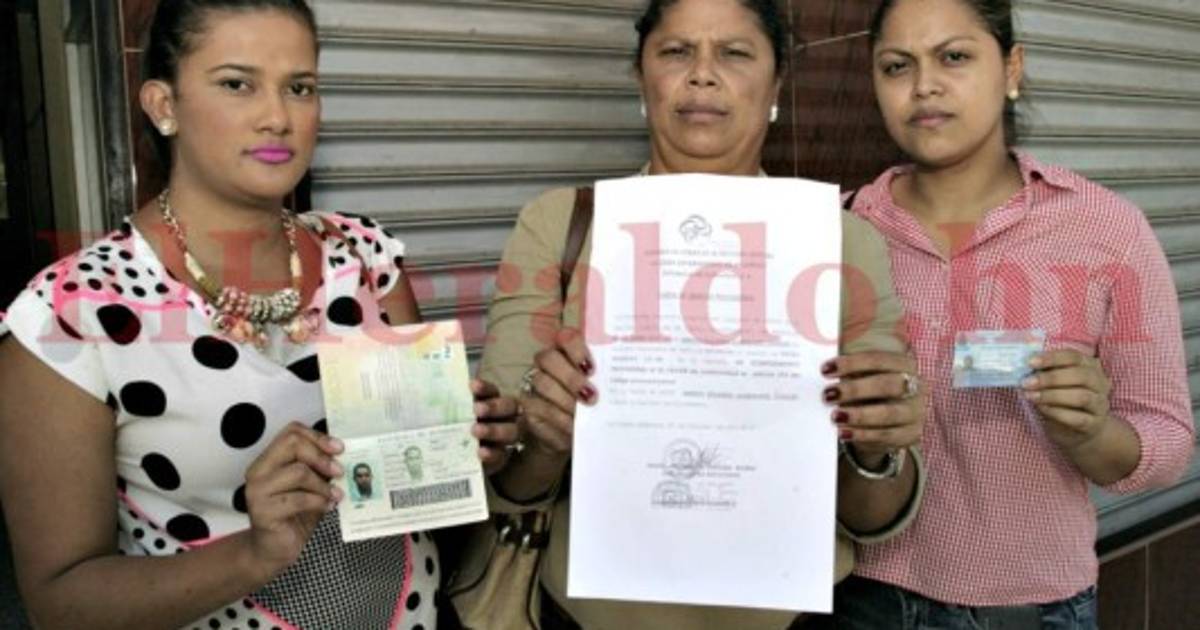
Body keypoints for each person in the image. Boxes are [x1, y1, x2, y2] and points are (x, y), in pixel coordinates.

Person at [0, 1, 521, 628]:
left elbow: (417, 491)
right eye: (236, 84)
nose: (278, 117)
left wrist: (465, 450)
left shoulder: (364, 256)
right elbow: (60, 603)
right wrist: (254, 552)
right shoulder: (71, 315)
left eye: (299, 87)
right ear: (164, 106)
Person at [462, 0, 929, 627]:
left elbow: (874, 516)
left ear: (776, 86)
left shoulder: (842, 241)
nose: (702, 74)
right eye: (676, 51)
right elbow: (508, 485)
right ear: (641, 78)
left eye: (734, 53)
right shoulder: (560, 225)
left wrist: (877, 448)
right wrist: (544, 435)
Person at [833, 0, 1195, 627]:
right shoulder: (841, 233)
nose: (924, 86)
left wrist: (1091, 433)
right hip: (867, 600)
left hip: (1035, 610)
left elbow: (1166, 444)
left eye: (954, 57)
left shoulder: (1106, 230)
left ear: (1011, 68)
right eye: (897, 66)